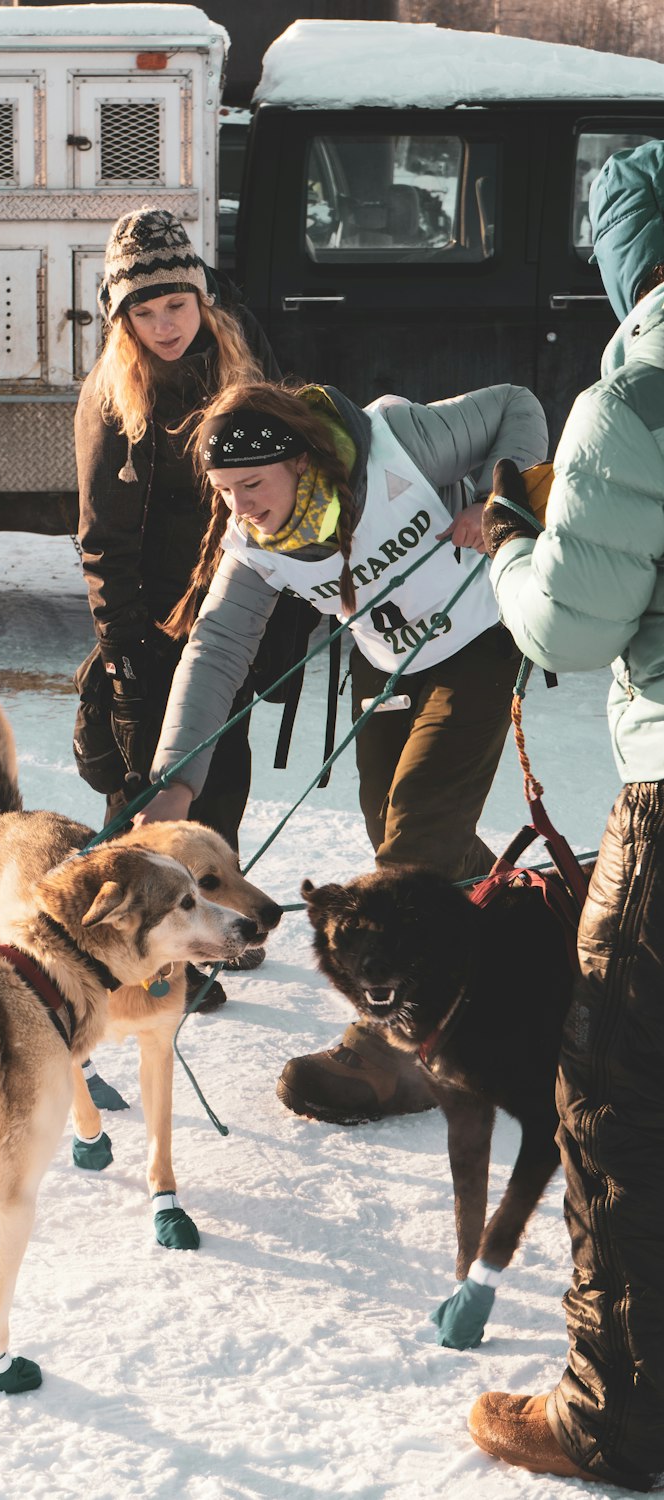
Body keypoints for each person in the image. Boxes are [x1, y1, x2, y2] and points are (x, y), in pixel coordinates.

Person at [136, 376, 547, 1115]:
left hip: (482, 636)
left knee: (415, 835)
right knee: (399, 831)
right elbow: (218, 646)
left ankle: (395, 1046)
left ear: (301, 461)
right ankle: (527, 942)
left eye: (253, 484)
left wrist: (499, 499)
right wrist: (176, 780)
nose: (242, 506)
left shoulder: (399, 442)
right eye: (225, 491)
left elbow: (519, 405)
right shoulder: (254, 540)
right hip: (387, 659)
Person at [466, 141, 664, 1491]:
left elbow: (573, 624)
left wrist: (517, 550)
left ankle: (612, 1417)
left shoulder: (638, 393)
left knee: (614, 1108)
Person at [73, 206, 280, 1006]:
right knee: (149, 813)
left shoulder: (239, 366)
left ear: (203, 299)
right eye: (145, 311)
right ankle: (158, 968)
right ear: (122, 318)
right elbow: (101, 541)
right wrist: (123, 656)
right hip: (149, 632)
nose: (164, 325)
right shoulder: (112, 396)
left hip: (229, 615)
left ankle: (222, 927)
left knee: (223, 784)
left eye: (177, 305)